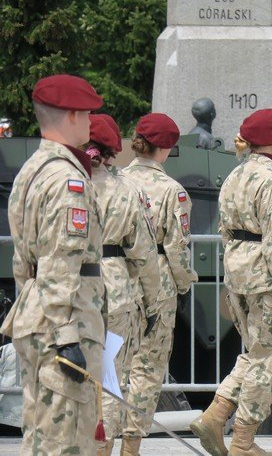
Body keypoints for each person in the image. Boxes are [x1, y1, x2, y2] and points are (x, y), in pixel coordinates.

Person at [190, 108, 272, 456]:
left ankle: (215, 416)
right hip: (266, 279)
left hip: (238, 274)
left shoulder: (236, 174)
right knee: (267, 359)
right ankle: (243, 441)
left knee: (254, 353)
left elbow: (225, 230)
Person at [0, 74, 105, 454]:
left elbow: (24, 259)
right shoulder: (66, 180)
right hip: (64, 322)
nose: (91, 122)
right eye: (88, 114)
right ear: (73, 115)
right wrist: (67, 336)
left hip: (37, 312)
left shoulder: (32, 170)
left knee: (41, 435)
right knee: (67, 442)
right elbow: (61, 259)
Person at [121, 112, 199, 454]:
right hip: (159, 281)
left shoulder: (117, 181)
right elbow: (177, 248)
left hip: (119, 278)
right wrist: (184, 285)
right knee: (148, 368)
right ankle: (131, 446)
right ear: (166, 148)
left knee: (112, 365)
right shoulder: (171, 190)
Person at [87, 114, 162, 455]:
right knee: (108, 377)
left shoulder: (61, 182)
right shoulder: (127, 190)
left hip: (68, 288)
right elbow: (144, 253)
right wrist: (153, 301)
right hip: (115, 291)